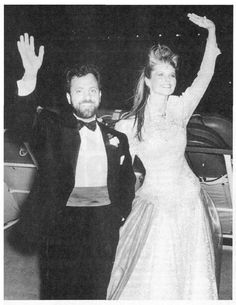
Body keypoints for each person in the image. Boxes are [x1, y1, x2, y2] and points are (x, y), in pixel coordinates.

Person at [11, 33, 136, 300]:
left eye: (92, 91)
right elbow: (22, 125)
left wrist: (118, 215)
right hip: (62, 223)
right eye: (79, 91)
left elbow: (126, 182)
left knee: (96, 292)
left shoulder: (118, 138)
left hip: (103, 224)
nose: (87, 97)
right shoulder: (53, 129)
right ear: (69, 98)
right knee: (58, 292)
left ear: (100, 95)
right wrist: (30, 76)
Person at [106, 13, 222, 300]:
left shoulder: (179, 107)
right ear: (147, 79)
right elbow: (113, 172)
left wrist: (212, 32)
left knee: (192, 283)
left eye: (172, 74)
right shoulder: (129, 124)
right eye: (161, 74)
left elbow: (204, 76)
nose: (168, 80)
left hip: (191, 205)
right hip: (156, 210)